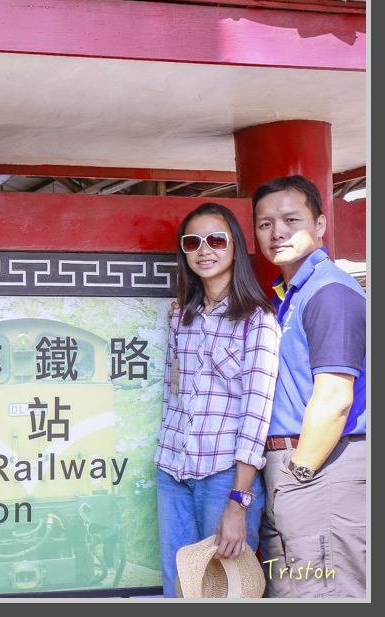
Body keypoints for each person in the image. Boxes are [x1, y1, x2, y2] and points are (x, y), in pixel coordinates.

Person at [154, 202, 280, 598]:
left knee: (224, 592)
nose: (204, 250)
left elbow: (256, 415)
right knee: (179, 587)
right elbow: (173, 395)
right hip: (172, 472)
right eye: (192, 242)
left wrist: (238, 503)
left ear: (235, 246)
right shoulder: (182, 317)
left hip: (224, 477)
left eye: (216, 240)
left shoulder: (258, 320)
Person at [252, 175, 366, 598]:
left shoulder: (330, 291)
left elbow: (335, 398)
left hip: (321, 467)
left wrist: (299, 473)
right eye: (265, 224)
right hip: (294, 468)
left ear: (320, 224)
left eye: (291, 220)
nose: (277, 232)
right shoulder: (289, 295)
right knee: (294, 592)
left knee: (326, 593)